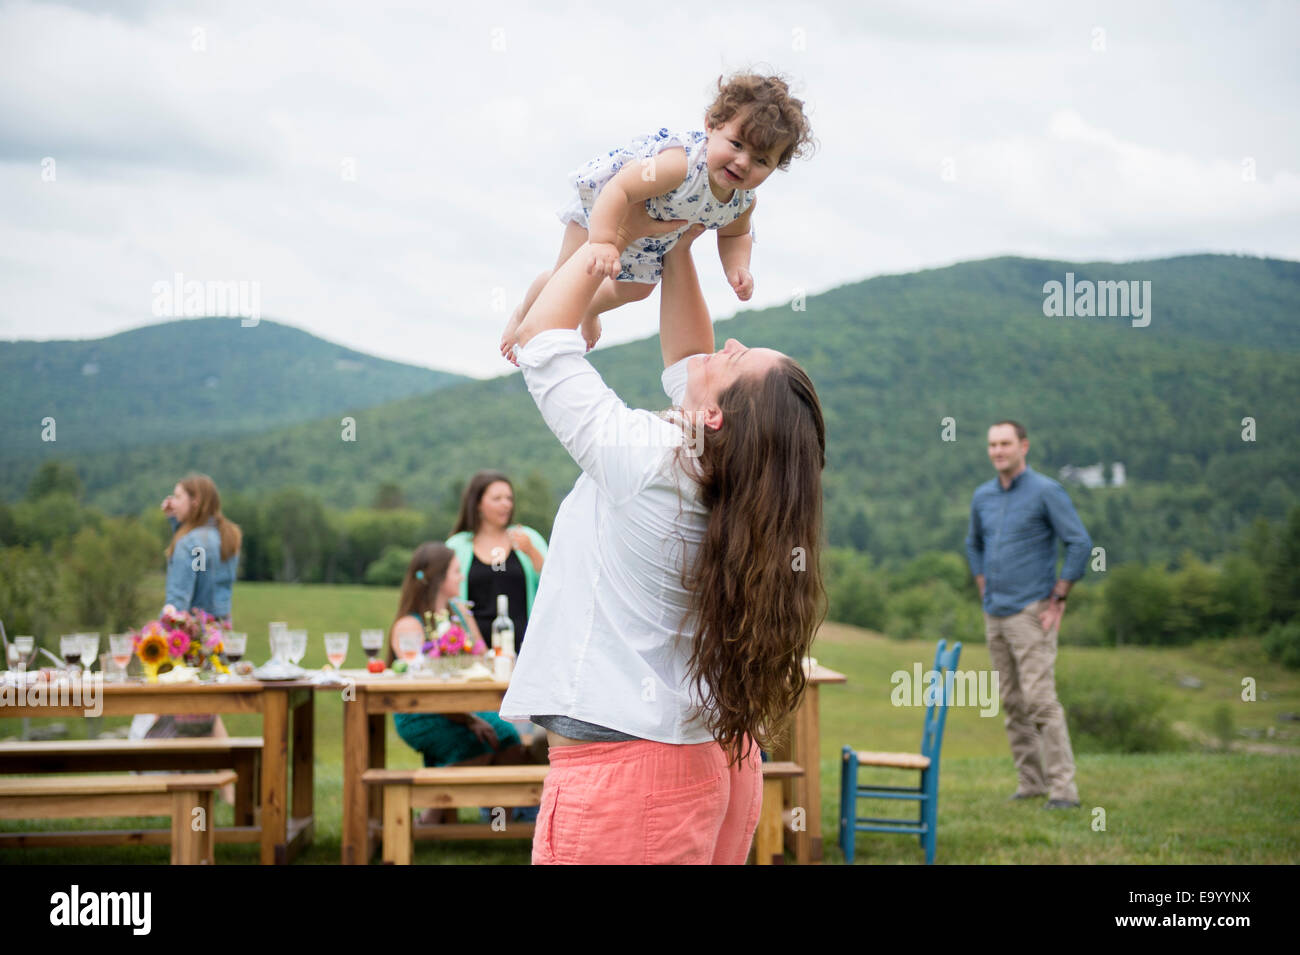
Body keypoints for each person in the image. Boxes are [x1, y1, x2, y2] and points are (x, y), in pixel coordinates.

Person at [499, 198, 827, 864]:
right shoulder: (729, 481)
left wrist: (604, 242)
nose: (726, 346)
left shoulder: (651, 457)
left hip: (631, 776)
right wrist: (679, 246)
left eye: (736, 361)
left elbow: (544, 342)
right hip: (712, 755)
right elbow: (690, 358)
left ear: (714, 418)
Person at [499, 70, 815, 358]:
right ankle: (523, 314)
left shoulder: (742, 201)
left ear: (776, 167)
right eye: (736, 144)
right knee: (571, 276)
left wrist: (737, 268)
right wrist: (603, 241)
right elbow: (620, 188)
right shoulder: (678, 166)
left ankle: (590, 309)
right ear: (711, 125)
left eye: (761, 161)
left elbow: (736, 234)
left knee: (638, 289)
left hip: (652, 239)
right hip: (604, 212)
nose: (743, 162)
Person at [965, 421, 1092, 810]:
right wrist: (983, 584)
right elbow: (973, 545)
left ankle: (1064, 790)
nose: (997, 451)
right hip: (995, 614)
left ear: (1024, 446)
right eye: (992, 444)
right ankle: (1031, 783)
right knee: (1013, 703)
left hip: (1031, 612)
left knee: (1040, 701)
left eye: (1005, 443)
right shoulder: (983, 496)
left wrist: (1059, 597)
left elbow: (1079, 543)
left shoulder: (1046, 491)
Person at [387, 543, 547, 824]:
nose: (462, 577)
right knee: (487, 739)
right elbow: (417, 684)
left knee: (507, 736)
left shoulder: (459, 615)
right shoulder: (409, 626)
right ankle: (430, 814)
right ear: (437, 577)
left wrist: (470, 716)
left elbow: (484, 657)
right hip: (421, 714)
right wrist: (469, 720)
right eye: (456, 571)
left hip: (464, 711)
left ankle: (501, 821)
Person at [131, 473, 242, 802]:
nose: (171, 501)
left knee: (178, 710)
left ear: (194, 501)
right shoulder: (226, 536)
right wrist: (174, 522)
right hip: (217, 634)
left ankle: (167, 789)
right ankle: (224, 792)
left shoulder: (188, 543)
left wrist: (157, 637)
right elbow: (202, 564)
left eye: (177, 497)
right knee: (205, 713)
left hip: (188, 638)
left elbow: (178, 601)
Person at [445, 472, 547, 657]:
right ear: (477, 504)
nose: (506, 504)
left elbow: (553, 583)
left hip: (526, 650)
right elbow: (452, 598)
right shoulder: (457, 546)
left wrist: (531, 552)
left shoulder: (528, 538)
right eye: (497, 498)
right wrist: (480, 649)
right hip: (473, 651)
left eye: (509, 498)